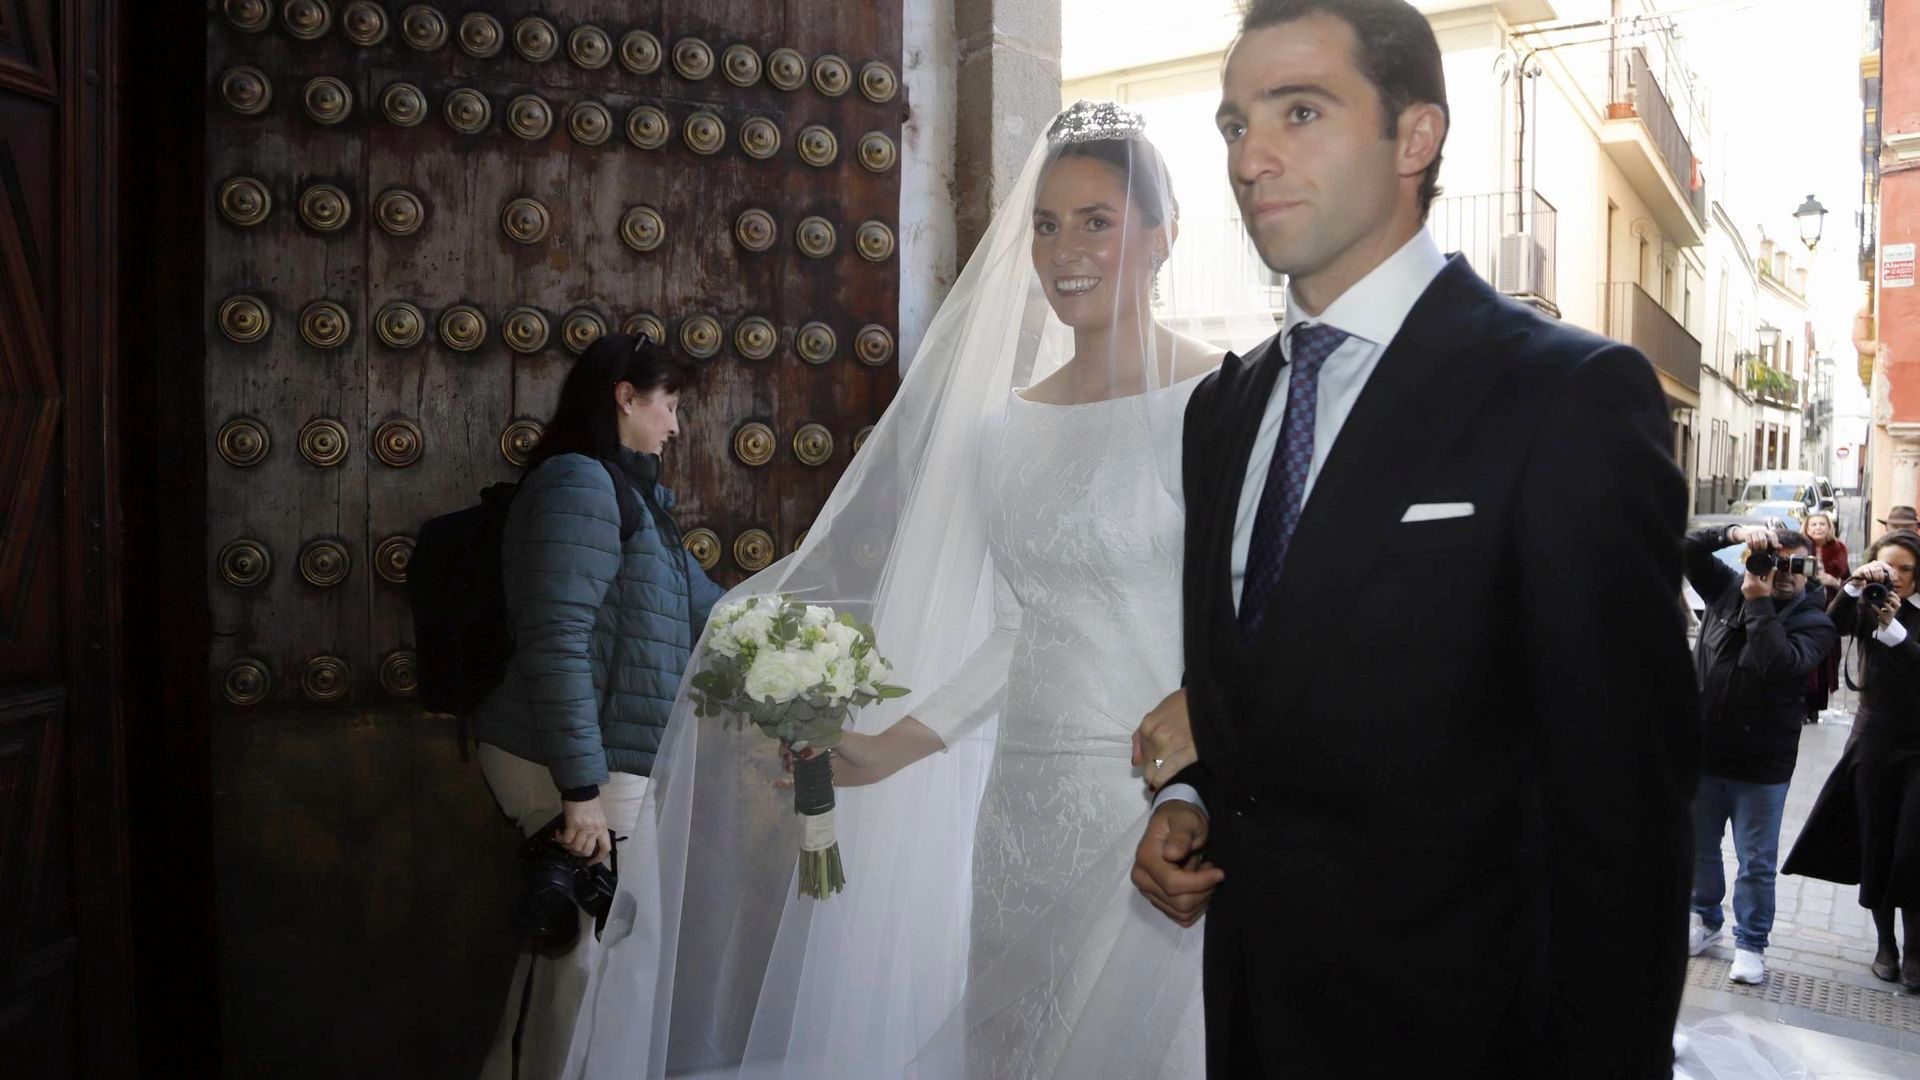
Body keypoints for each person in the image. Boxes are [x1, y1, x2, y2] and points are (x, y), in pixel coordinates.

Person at [565, 101, 1273, 1080]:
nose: (1065, 250)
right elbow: (1019, 629)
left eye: (1097, 221)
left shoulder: (1227, 402)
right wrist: (883, 749)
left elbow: (1266, 613)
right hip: (1022, 803)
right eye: (1046, 223)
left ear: (1163, 237)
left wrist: (1216, 730)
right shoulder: (1005, 432)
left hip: (1161, 801)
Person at [1128, 1, 1699, 1075]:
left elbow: (1624, 810)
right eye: (1234, 124)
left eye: (1300, 111)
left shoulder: (1564, 396)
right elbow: (1250, 683)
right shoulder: (1227, 407)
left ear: (1416, 135)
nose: (1253, 157)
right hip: (1252, 1018)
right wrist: (1193, 798)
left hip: (1469, 1034)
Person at [469, 334, 726, 1078]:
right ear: (624, 395)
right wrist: (578, 793)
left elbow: (718, 613)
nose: (676, 425)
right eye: (669, 404)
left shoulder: (639, 501)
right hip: (576, 767)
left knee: (596, 962)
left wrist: (817, 636)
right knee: (588, 964)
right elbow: (557, 641)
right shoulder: (581, 485)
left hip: (608, 765)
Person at [1680, 523, 1836, 985]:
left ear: (1812, 569)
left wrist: (1759, 601)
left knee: (1756, 861)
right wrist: (1733, 533)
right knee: (1702, 848)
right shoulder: (1726, 589)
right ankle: (1705, 919)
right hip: (1705, 750)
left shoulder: (1816, 622)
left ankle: (1751, 943)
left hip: (1762, 763)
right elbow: (1685, 547)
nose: (1782, 573)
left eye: (1795, 565)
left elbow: (1777, 664)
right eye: (1774, 561)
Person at [1784, 530, 1920, 990]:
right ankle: (1886, 946)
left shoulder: (1906, 614)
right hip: (1874, 741)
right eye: (1887, 568)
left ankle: (1916, 951)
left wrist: (1897, 631)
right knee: (1878, 843)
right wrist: (1855, 586)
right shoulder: (1869, 603)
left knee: (1912, 850)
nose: (1896, 578)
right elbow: (1831, 628)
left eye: (1905, 568)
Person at [1803, 510, 1849, 723]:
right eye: (1814, 524)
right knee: (1806, 657)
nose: (1818, 528)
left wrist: (1834, 582)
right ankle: (1804, 704)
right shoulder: (1801, 548)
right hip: (1805, 609)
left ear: (1829, 527)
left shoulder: (1838, 549)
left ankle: (1817, 706)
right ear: (1807, 528)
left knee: (1826, 660)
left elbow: (1850, 583)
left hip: (1830, 610)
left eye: (1822, 524)